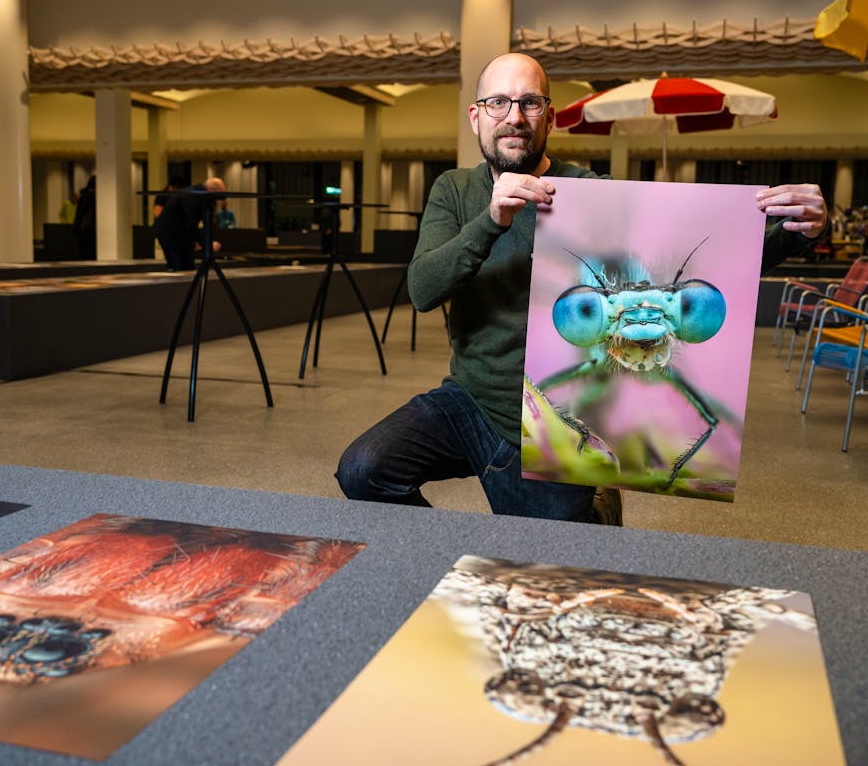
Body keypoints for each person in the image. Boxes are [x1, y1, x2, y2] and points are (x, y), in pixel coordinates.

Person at [336, 53, 827, 524]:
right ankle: (455, 559)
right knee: (364, 470)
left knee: (552, 570)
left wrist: (797, 232)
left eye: (530, 102)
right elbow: (423, 291)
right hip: (469, 399)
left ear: (549, 116)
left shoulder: (588, 190)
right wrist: (491, 219)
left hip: (553, 423)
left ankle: (595, 506)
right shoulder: (455, 189)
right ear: (476, 116)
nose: (514, 116)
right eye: (498, 103)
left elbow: (713, 261)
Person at [154, 177, 225, 270]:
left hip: (179, 233)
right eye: (217, 197)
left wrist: (206, 242)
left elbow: (207, 222)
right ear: (212, 190)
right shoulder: (193, 196)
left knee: (187, 266)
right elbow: (190, 223)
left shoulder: (200, 195)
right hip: (170, 234)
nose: (216, 201)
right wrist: (206, 244)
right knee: (177, 267)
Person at [72, 175, 97, 259]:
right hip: (91, 228)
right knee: (91, 252)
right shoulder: (94, 196)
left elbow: (79, 213)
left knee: (83, 252)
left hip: (82, 228)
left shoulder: (83, 195)